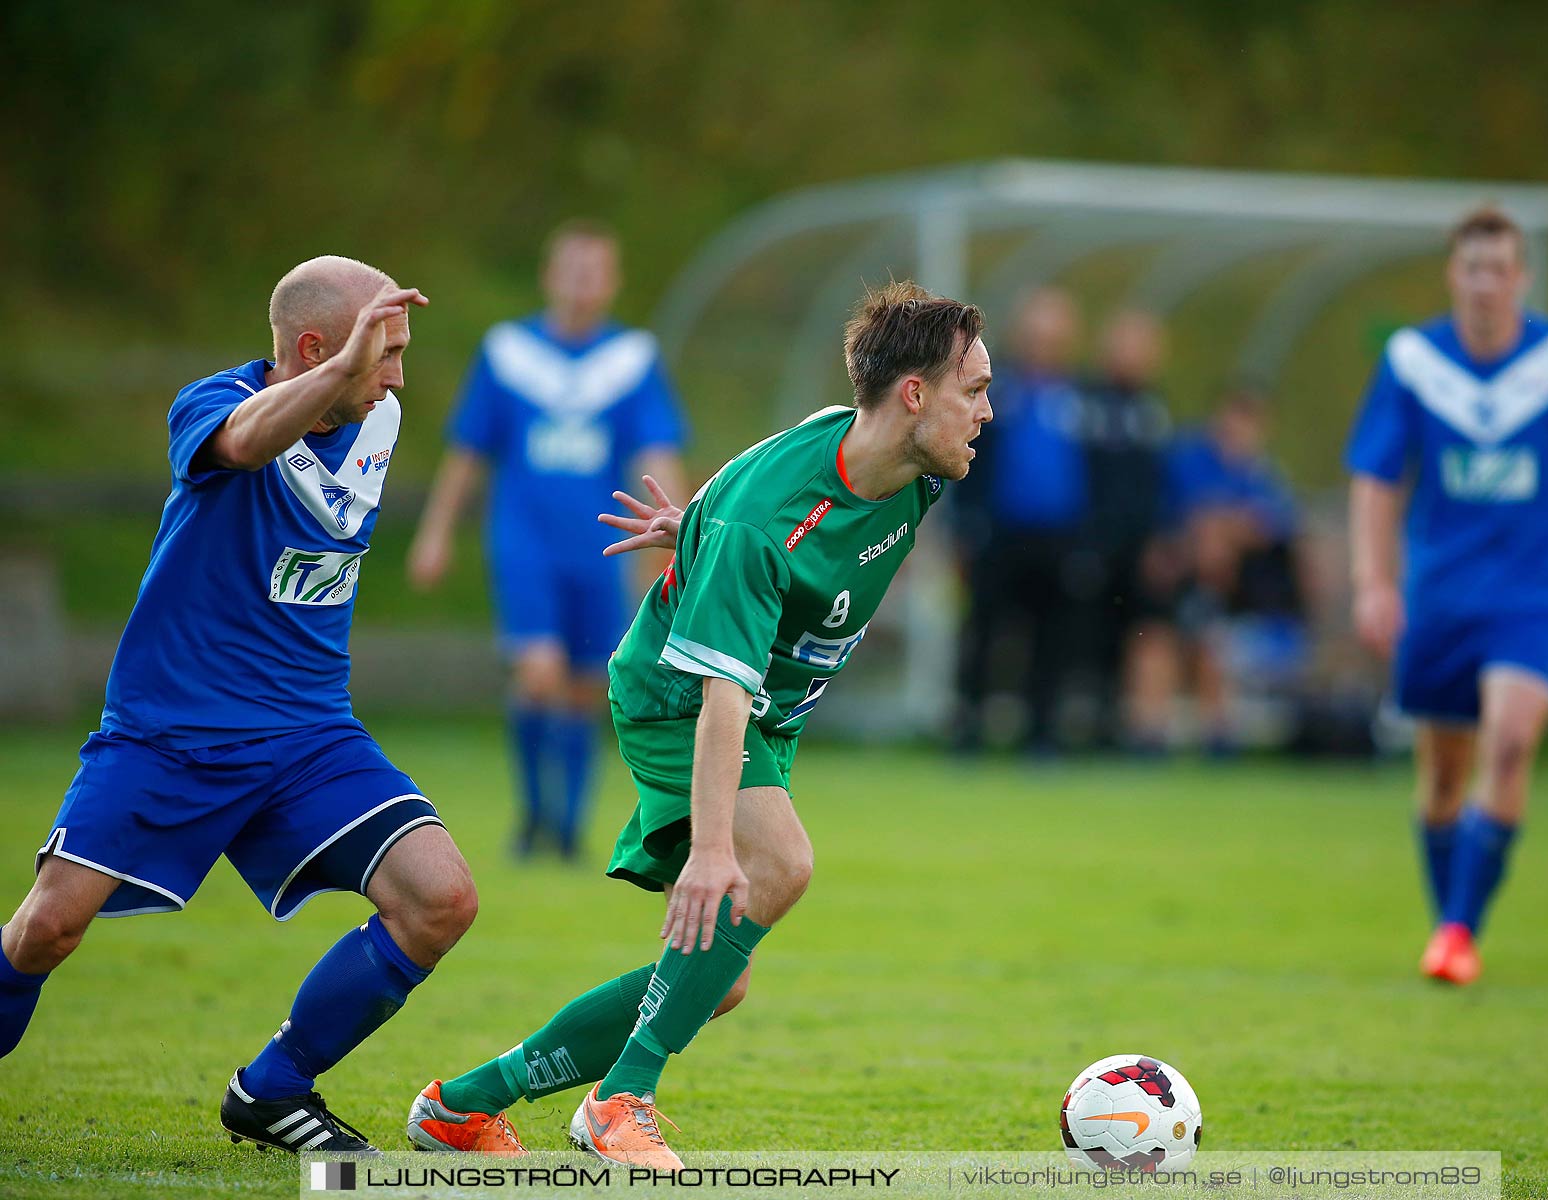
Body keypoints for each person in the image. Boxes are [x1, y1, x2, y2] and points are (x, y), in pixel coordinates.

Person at [404, 280, 991, 1162]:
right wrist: (715, 853)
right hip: (682, 697)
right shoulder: (767, 526)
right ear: (914, 395)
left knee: (718, 981)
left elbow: (759, 518)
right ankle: (619, 1100)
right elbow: (723, 689)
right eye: (974, 389)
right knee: (781, 864)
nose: (988, 410)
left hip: (766, 711)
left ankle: (462, 1105)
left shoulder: (915, 467)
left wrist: (697, 529)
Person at [0, 259, 475, 1152]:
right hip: (169, 736)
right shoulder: (211, 403)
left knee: (441, 898)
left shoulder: (379, 416)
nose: (398, 377)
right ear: (312, 350)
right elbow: (249, 445)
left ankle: (272, 1091)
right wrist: (342, 373)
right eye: (385, 355)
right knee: (45, 930)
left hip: (307, 737)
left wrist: (356, 380)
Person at [1345, 208, 1548, 987]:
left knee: (1513, 744)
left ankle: (1458, 932)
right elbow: (1376, 477)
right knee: (1445, 778)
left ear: (1522, 277)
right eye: (1473, 267)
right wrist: (1373, 583)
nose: (1486, 282)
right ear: (1453, 276)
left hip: (1533, 596)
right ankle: (1449, 922)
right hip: (1442, 598)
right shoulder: (1416, 360)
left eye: (1500, 268)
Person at [409, 221, 687, 860]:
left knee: (589, 685)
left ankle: (566, 829)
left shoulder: (632, 360)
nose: (583, 281)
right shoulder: (508, 352)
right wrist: (435, 533)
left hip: (597, 544)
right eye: (572, 268)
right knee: (538, 675)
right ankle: (533, 817)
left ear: (613, 281)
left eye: (596, 270)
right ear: (549, 275)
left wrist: (676, 537)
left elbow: (658, 451)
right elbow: (468, 452)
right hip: (524, 539)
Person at [1129, 388, 1310, 752]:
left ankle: (1218, 736)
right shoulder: (1188, 463)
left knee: (1214, 644)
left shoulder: (1262, 475)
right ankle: (1150, 736)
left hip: (1243, 602)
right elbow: (1189, 527)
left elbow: (1270, 527)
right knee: (1157, 643)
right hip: (1179, 584)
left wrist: (1223, 529)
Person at [950, 287, 1086, 753]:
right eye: (1036, 335)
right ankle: (967, 729)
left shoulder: (1080, 397)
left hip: (1057, 536)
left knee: (1050, 636)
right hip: (1000, 531)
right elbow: (970, 456)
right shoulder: (996, 389)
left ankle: (1042, 734)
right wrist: (965, 525)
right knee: (984, 631)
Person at [1076, 310, 1173, 743]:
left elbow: (1160, 485)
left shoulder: (1153, 410)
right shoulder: (1083, 402)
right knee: (1089, 636)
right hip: (1090, 541)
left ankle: (1140, 732)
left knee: (1146, 632)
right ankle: (1090, 726)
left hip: (1141, 546)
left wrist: (1161, 539)